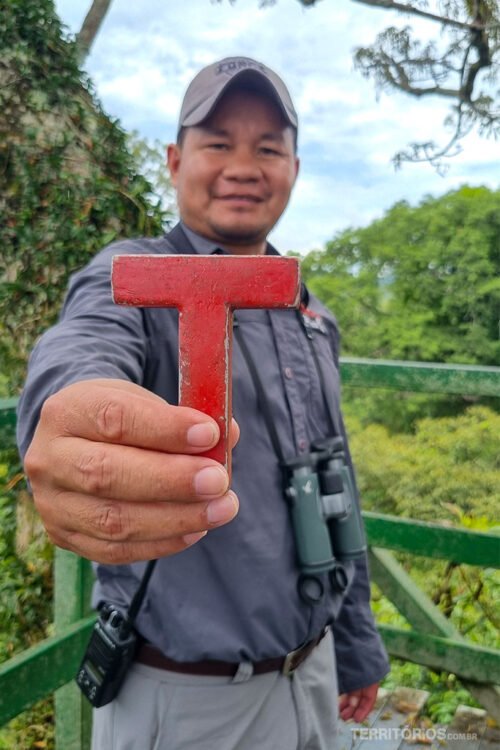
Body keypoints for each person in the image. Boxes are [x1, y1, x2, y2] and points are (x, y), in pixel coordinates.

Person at [17, 56, 389, 750]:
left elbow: (339, 481)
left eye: (269, 147)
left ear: (296, 169)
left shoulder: (310, 310)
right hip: (182, 702)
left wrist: (357, 648)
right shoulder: (134, 277)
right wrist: (70, 414)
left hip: (314, 670)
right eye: (218, 142)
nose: (244, 166)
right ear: (174, 158)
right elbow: (83, 347)